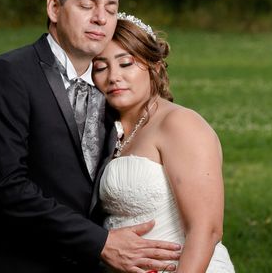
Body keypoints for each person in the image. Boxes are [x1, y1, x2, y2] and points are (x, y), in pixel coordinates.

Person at [0, 0, 181, 273]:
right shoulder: (9, 75)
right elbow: (5, 187)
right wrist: (101, 243)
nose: (100, 19)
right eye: (87, 5)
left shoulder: (112, 89)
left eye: (111, 9)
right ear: (54, 8)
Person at [92, 15, 235, 273]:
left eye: (126, 63)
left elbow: (206, 229)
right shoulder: (108, 131)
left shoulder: (179, 124)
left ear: (154, 67)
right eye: (101, 68)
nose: (114, 76)